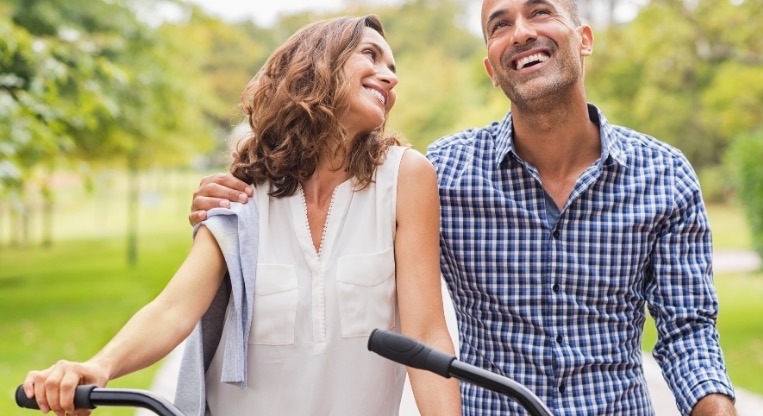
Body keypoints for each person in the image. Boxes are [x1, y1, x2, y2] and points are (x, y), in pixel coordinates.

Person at [190, 1, 739, 415]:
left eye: (540, 12)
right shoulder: (442, 174)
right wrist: (236, 198)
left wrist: (715, 407)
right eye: (499, 24)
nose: (520, 31)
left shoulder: (664, 175)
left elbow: (688, 328)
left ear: (583, 38)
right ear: (491, 68)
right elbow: (336, 190)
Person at [22, 15, 461, 416]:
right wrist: (99, 365)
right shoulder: (241, 193)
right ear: (317, 65)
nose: (390, 76)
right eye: (371, 54)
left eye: (394, 69)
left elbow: (425, 336)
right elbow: (174, 308)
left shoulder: (404, 177)